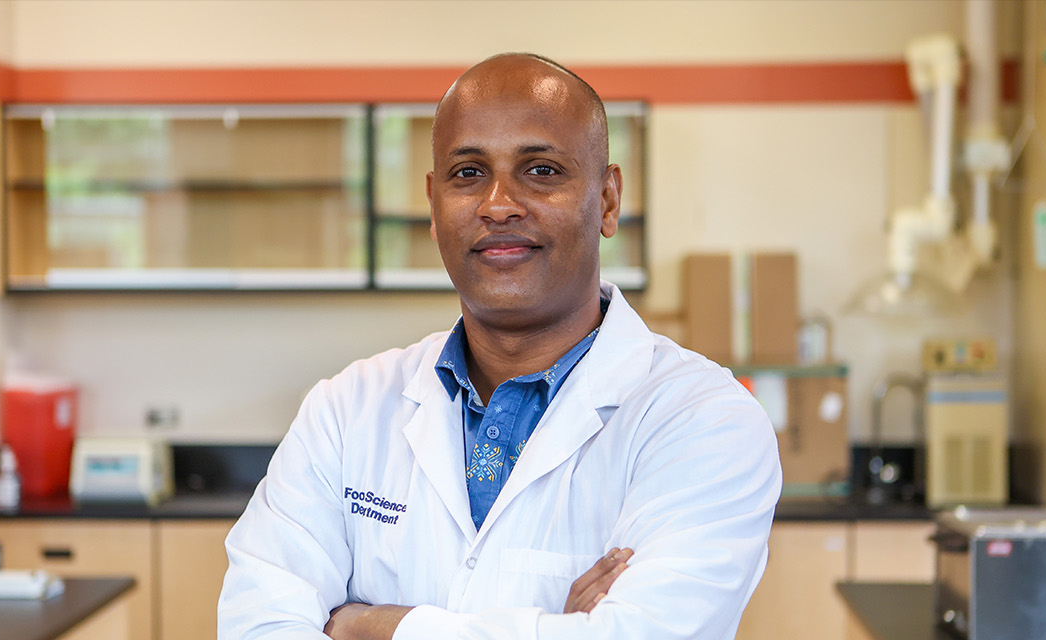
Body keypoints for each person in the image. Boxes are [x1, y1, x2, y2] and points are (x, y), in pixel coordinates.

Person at [218, 52, 783, 640]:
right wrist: (556, 628)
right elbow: (255, 625)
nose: (498, 204)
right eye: (468, 174)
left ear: (608, 200)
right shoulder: (346, 410)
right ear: (434, 207)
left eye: (541, 170)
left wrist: (372, 627)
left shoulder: (702, 419)